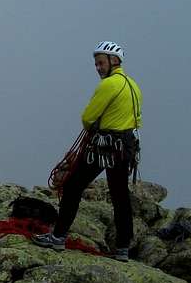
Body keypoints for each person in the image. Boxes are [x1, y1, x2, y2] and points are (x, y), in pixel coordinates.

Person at [33, 41, 143, 261]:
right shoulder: (133, 85)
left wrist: (95, 126)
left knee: (73, 186)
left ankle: (58, 237)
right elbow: (137, 120)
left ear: (114, 61)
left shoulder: (110, 85)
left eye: (101, 63)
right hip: (125, 149)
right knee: (120, 197)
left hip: (104, 147)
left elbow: (88, 117)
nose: (98, 68)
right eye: (96, 64)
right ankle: (122, 248)